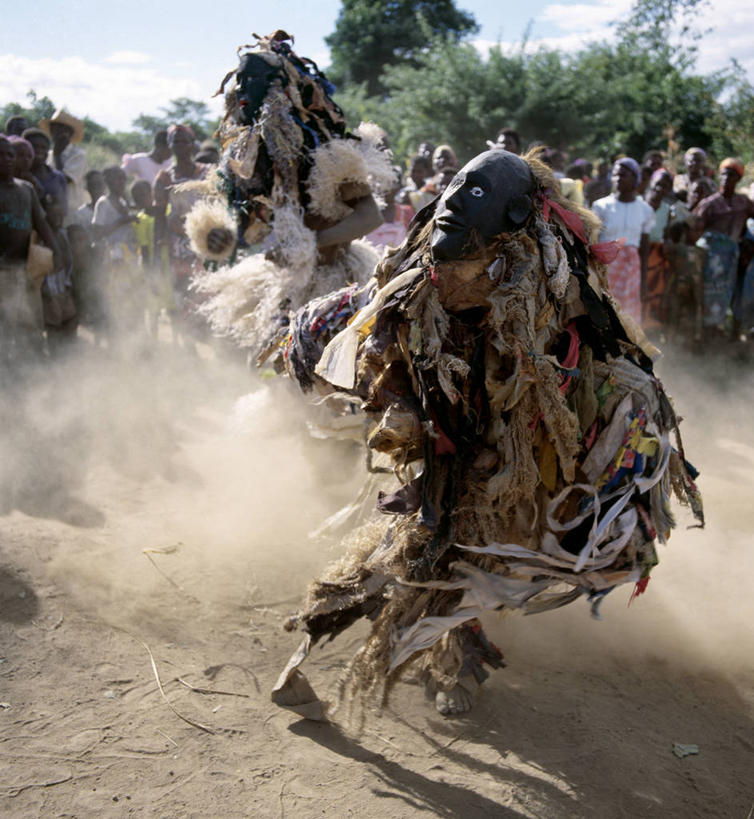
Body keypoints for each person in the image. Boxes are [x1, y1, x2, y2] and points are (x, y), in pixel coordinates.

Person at [273, 148, 703, 719]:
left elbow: (590, 366)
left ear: (517, 216)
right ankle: (348, 649)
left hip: (504, 449)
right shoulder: (419, 274)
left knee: (464, 551)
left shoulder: (545, 287)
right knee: (430, 547)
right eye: (455, 186)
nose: (454, 200)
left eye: (476, 193)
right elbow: (377, 329)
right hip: (444, 439)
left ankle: (440, 663)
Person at [183, 31, 391, 362]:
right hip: (290, 285)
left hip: (339, 284)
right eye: (242, 84)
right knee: (274, 367)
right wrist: (226, 238)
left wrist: (312, 243)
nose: (246, 93)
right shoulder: (256, 164)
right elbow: (253, 230)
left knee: (334, 369)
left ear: (284, 92)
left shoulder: (330, 154)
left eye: (256, 82)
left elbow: (370, 217)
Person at [0, 136, 60, 366]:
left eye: (10, 155)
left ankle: (32, 371)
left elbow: (40, 223)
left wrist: (56, 250)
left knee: (30, 322)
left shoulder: (26, 189)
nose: (6, 159)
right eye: (0, 155)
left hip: (26, 269)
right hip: (2, 270)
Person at [154, 124, 208, 347]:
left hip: (204, 242)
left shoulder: (206, 173)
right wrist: (160, 244)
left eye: (184, 141)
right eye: (175, 141)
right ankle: (188, 346)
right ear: (169, 145)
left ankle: (208, 343)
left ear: (192, 144)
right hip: (178, 245)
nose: (180, 145)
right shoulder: (165, 177)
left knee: (205, 291)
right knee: (181, 292)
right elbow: (159, 214)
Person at [693, 157, 754, 333]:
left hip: (733, 258)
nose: (727, 179)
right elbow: (695, 229)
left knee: (730, 291)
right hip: (712, 259)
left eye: (732, 175)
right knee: (709, 292)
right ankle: (708, 330)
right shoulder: (709, 203)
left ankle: (728, 329)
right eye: (724, 175)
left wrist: (747, 243)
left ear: (738, 179)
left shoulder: (743, 202)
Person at [592, 157, 655, 325]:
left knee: (628, 316)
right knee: (605, 309)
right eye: (615, 175)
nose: (618, 179)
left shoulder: (645, 210)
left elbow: (644, 248)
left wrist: (643, 281)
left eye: (623, 175)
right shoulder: (601, 206)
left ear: (635, 178)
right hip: (606, 267)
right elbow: (593, 241)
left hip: (631, 269)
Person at [92, 165, 140, 342]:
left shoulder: (123, 202)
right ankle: (113, 339)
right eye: (117, 179)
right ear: (108, 182)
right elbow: (97, 233)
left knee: (128, 298)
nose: (121, 182)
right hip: (113, 256)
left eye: (123, 179)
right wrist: (121, 221)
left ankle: (127, 338)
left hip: (128, 256)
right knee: (115, 298)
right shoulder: (103, 203)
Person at [39, 109, 88, 221]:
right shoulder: (48, 155)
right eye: (54, 128)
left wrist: (57, 156)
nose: (57, 133)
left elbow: (63, 181)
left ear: (69, 133)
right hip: (48, 210)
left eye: (61, 129)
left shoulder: (78, 155)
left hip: (70, 211)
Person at [643, 169, 674, 327]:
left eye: (666, 186)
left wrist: (667, 242)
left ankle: (650, 327)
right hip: (639, 253)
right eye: (658, 184)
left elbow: (666, 234)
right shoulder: (639, 204)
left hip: (656, 255)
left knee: (654, 291)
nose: (661, 188)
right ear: (651, 183)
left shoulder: (666, 209)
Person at [365, 168, 414, 251]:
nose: (385, 187)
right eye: (381, 181)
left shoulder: (407, 212)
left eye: (390, 182)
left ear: (398, 187)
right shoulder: (364, 213)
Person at [23, 128, 68, 216]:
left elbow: (63, 210)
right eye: (34, 147)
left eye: (43, 147)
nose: (39, 151)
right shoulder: (19, 175)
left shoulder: (58, 177)